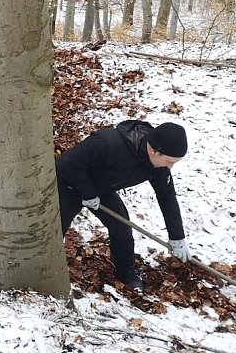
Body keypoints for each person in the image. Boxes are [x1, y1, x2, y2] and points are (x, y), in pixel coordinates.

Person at [56, 120, 192, 292]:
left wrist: (177, 236)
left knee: (122, 227)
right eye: (169, 161)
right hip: (69, 183)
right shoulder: (107, 143)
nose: (170, 167)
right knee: (56, 226)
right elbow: (67, 163)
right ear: (154, 150)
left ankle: (126, 272)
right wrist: (87, 192)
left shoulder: (158, 166)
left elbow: (167, 197)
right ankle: (45, 265)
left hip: (102, 190)